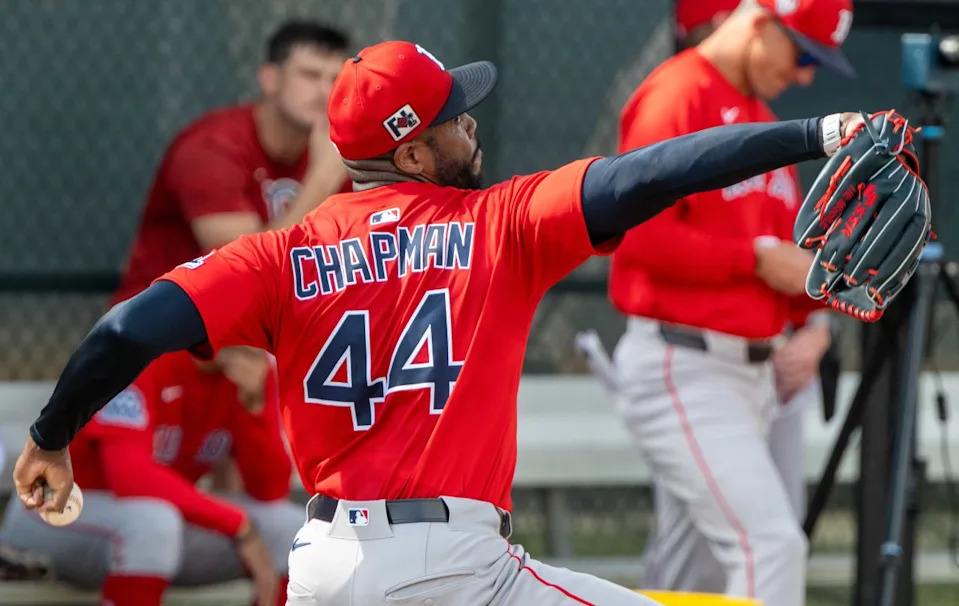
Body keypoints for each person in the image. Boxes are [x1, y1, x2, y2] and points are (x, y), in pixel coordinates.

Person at [13, 38, 868, 605]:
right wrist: (817, 132)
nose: (470, 124)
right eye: (452, 118)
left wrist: (50, 436)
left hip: (325, 571)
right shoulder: (500, 224)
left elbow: (126, 329)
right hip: (453, 568)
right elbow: (653, 174)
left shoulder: (282, 254)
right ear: (414, 154)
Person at [605, 1, 853, 605]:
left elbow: (787, 263)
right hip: (685, 366)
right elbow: (635, 238)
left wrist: (814, 323)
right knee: (771, 545)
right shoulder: (677, 95)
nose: (805, 77)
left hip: (750, 378)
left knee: (692, 582)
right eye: (803, 54)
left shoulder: (759, 119)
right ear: (762, 21)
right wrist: (755, 258)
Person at [111, 19, 352, 413]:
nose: (324, 91)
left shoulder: (330, 152)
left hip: (247, 342)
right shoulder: (210, 147)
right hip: (159, 341)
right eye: (310, 75)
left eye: (335, 79)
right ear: (269, 78)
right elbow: (244, 273)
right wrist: (323, 177)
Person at [0, 348, 300, 606]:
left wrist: (256, 406)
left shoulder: (250, 373)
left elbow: (270, 491)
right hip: (49, 515)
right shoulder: (138, 353)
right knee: (153, 522)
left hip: (151, 530)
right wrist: (239, 525)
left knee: (291, 530)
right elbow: (131, 478)